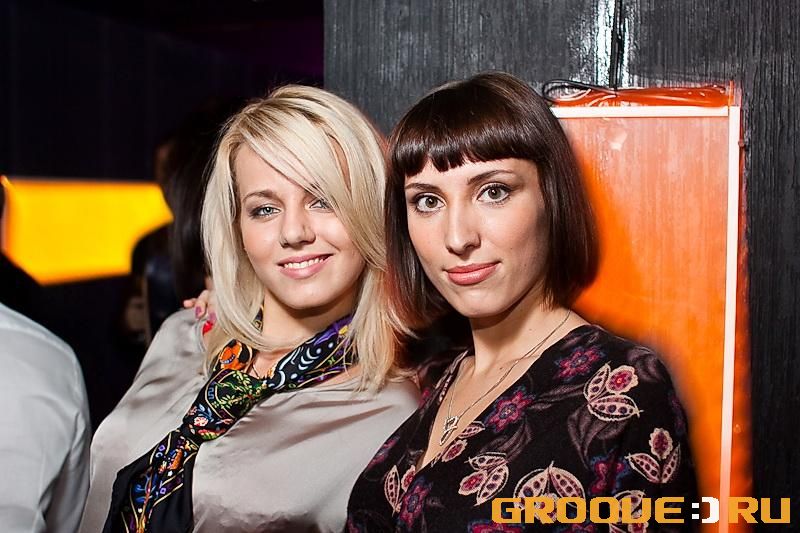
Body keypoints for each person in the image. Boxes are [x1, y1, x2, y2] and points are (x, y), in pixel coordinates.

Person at [346, 72, 697, 531]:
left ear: (551, 196)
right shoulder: (434, 374)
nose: (458, 237)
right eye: (428, 201)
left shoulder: (624, 386)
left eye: (493, 192)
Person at [78, 86, 419, 533]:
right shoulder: (184, 335)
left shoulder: (391, 413)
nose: (293, 232)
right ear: (237, 227)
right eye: (264, 209)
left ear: (370, 211)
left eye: (323, 200)